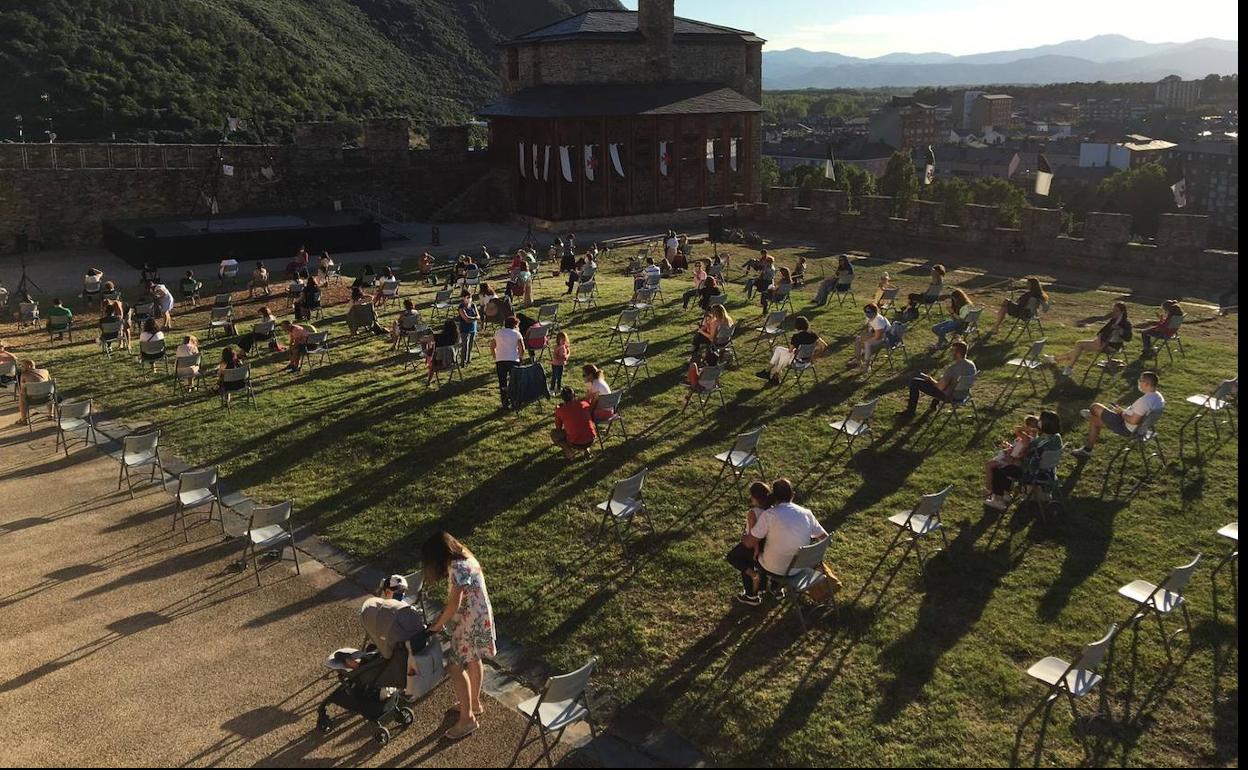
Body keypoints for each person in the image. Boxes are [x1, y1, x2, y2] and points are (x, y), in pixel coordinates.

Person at [422, 532, 496, 740]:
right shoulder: (466, 557)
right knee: (474, 659)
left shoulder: (456, 568)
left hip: (469, 624)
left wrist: (436, 626)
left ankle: (467, 719)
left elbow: (454, 603)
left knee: (454, 667)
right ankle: (474, 703)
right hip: (481, 619)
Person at [736, 478, 827, 606]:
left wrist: (744, 536)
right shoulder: (807, 513)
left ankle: (751, 594)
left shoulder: (769, 515)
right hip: (800, 567)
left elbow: (750, 543)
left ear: (774, 497)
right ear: (793, 495)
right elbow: (824, 538)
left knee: (746, 553)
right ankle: (776, 589)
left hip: (775, 568)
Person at [1072, 371, 1164, 457]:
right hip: (1140, 428)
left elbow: (1133, 421)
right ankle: (1087, 449)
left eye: (1140, 380)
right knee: (1095, 420)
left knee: (1095, 407)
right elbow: (1138, 416)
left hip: (1126, 427)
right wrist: (1123, 411)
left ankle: (1091, 418)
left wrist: (1122, 413)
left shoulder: (1145, 401)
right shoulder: (1158, 397)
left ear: (1147, 384)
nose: (1139, 382)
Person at [986, 411, 1062, 510]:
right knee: (1008, 466)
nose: (1038, 422)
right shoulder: (1056, 438)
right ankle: (1005, 495)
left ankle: (998, 499)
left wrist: (1013, 459)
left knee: (1000, 469)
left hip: (1033, 474)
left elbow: (1029, 463)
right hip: (1049, 471)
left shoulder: (1040, 443)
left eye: (1040, 421)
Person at [897, 340, 977, 418]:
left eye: (952, 351)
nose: (950, 353)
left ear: (958, 353)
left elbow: (939, 387)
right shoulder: (971, 364)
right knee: (945, 380)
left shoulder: (953, 369)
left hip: (951, 397)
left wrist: (930, 380)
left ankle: (910, 412)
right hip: (964, 394)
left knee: (915, 382)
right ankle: (933, 405)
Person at [725, 481, 773, 605]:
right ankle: (755, 591)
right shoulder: (770, 511)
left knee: (733, 558)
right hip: (765, 543)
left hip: (752, 544)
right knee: (753, 563)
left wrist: (755, 548)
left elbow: (753, 533)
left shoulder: (753, 512)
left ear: (755, 497)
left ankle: (752, 583)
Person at [1056, 302, 1132, 377]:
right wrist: (1099, 339)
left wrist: (1121, 330)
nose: (1114, 312)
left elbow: (1128, 338)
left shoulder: (1126, 324)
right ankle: (1057, 359)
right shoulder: (1113, 320)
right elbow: (1102, 331)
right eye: (1113, 310)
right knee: (1078, 348)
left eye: (1116, 311)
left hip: (1109, 346)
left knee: (1079, 344)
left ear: (1122, 312)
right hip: (1101, 342)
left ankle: (1068, 367)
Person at [982, 415, 1039, 507]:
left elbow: (1017, 430)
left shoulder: (1028, 438)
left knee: (991, 466)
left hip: (1013, 463)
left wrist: (1028, 429)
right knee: (991, 465)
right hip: (1012, 459)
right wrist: (1010, 448)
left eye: (1033, 426)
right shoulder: (1030, 439)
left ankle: (993, 494)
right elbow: (1019, 448)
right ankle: (1004, 493)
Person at [759, 315, 823, 385]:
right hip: (807, 361)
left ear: (796, 326)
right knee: (780, 351)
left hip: (797, 361)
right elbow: (824, 345)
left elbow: (790, 350)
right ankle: (773, 375)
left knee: (779, 352)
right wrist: (814, 356)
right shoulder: (813, 334)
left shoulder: (796, 337)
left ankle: (769, 372)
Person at [550, 387, 597, 458]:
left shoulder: (560, 410)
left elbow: (558, 428)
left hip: (575, 443)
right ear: (574, 396)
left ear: (562, 398)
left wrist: (558, 411)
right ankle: (586, 449)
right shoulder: (584, 404)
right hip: (591, 439)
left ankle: (569, 452)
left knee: (554, 434)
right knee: (582, 426)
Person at [491, 316, 525, 409]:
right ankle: (514, 400)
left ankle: (505, 402)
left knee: (502, 382)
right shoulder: (516, 334)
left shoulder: (498, 333)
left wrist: (496, 356)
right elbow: (522, 348)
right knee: (514, 382)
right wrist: (520, 357)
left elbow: (492, 346)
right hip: (513, 360)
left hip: (500, 360)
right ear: (515, 325)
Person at [851, 303, 890, 371]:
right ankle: (858, 360)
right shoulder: (869, 317)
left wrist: (866, 340)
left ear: (875, 312)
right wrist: (863, 336)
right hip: (875, 334)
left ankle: (866, 366)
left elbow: (878, 337)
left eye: (869, 312)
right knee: (858, 339)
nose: (866, 314)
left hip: (885, 338)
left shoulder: (879, 320)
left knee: (867, 343)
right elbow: (866, 328)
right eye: (865, 311)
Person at [16, 359, 51, 425]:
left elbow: (22, 391)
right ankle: (50, 414)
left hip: (33, 400)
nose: (21, 367)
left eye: (22, 366)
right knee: (49, 392)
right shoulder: (45, 371)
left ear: (29, 366)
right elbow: (50, 383)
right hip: (48, 398)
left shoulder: (24, 375)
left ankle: (23, 420)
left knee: (21, 396)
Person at [457, 291, 480, 364]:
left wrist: (472, 318)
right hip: (464, 328)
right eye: (468, 297)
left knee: (471, 344)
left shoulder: (473, 305)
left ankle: (468, 359)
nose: (470, 299)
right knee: (465, 345)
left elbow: (478, 316)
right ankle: (463, 361)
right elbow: (466, 319)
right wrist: (474, 318)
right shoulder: (461, 307)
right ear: (463, 298)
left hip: (473, 327)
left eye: (470, 297)